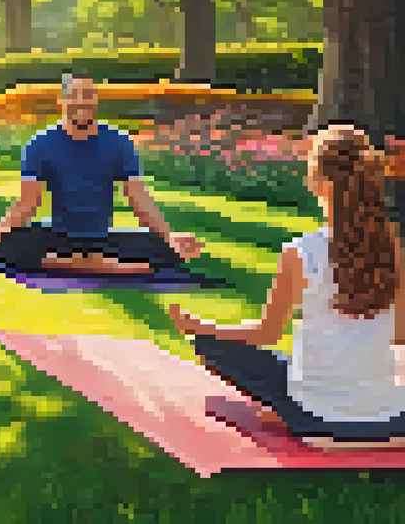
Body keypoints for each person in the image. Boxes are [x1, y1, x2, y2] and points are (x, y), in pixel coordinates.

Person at [169, 124, 405, 449]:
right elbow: (399, 334)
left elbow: (266, 334)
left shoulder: (300, 252)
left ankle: (316, 422)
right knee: (296, 362)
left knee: (211, 346)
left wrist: (200, 326)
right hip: (387, 415)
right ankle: (370, 428)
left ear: (318, 183)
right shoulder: (393, 249)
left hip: (315, 413)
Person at [0, 72, 204, 274]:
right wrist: (0, 231)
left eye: (87, 95)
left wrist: (170, 235)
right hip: (59, 236)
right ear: (62, 101)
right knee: (7, 245)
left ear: (95, 100)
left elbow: (138, 199)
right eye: (74, 95)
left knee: (170, 250)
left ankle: (71, 263)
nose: (81, 101)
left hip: (102, 238)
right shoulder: (40, 143)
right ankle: (105, 266)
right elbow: (28, 203)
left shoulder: (118, 142)